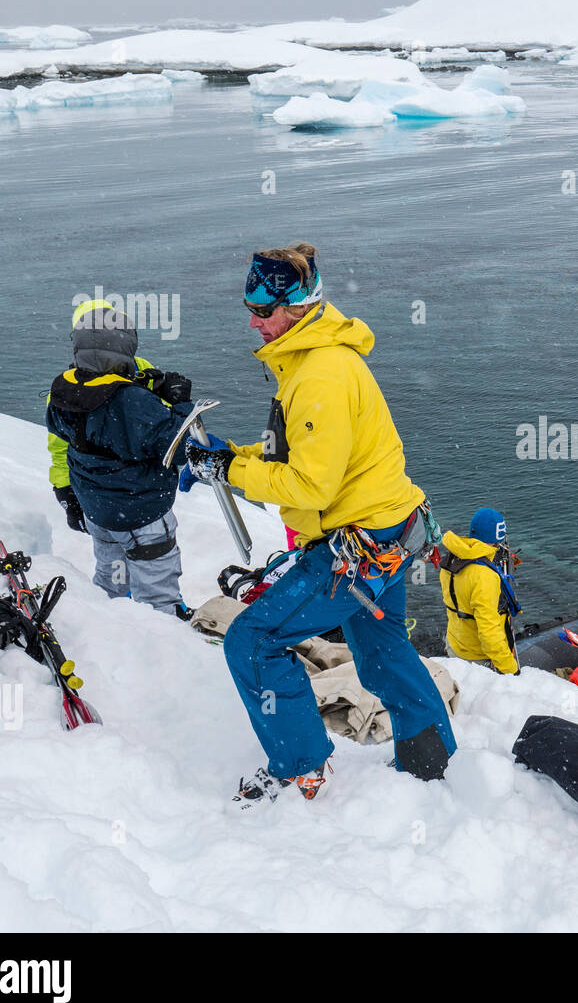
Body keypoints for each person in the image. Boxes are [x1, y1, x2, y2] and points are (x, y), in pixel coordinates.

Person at [185, 242, 457, 808]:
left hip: (355, 547)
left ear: (299, 306)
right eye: (250, 309)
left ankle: (299, 771)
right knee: (382, 652)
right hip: (390, 531)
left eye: (264, 311)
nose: (254, 322)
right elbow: (299, 457)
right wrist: (232, 455)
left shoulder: (319, 376)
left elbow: (311, 485)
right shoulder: (316, 360)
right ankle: (431, 759)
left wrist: (230, 468)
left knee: (254, 641)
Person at [45, 299, 201, 619]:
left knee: (110, 576)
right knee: (156, 590)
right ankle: (163, 637)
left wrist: (65, 493)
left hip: (97, 508)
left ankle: (107, 627)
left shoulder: (64, 391)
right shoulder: (131, 400)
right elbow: (178, 446)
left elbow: (62, 442)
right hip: (139, 511)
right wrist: (181, 406)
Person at [438, 507, 521, 676]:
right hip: (477, 657)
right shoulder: (485, 576)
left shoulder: (452, 559)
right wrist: (510, 669)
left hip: (455, 643)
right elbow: (488, 631)